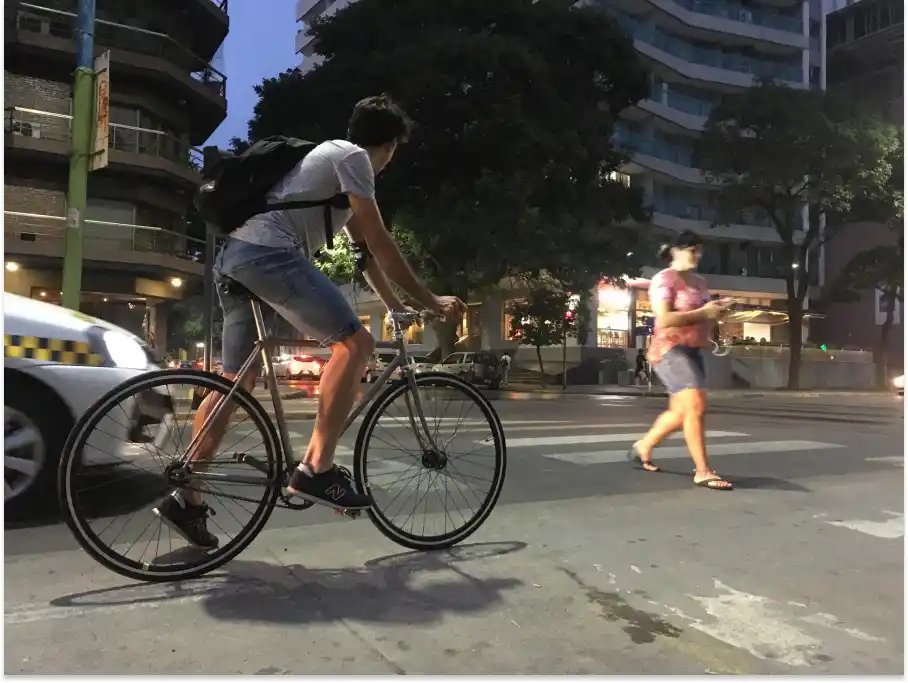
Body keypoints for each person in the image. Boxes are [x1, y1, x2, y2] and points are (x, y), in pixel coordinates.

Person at [155, 95, 467, 546]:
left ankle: (188, 498)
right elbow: (380, 239)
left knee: (235, 383)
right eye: (395, 151)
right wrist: (431, 299)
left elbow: (364, 256)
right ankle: (316, 468)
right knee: (354, 345)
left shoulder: (334, 172)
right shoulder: (354, 157)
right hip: (268, 256)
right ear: (390, 146)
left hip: (236, 260)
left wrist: (398, 306)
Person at [626, 231, 734, 491]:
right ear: (675, 250)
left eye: (699, 250)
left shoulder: (699, 282)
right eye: (691, 250)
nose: (697, 255)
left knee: (680, 412)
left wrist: (718, 311)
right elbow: (664, 319)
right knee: (696, 405)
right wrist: (703, 311)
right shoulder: (664, 280)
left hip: (694, 350)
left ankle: (643, 447)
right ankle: (703, 471)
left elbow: (705, 314)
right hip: (669, 350)